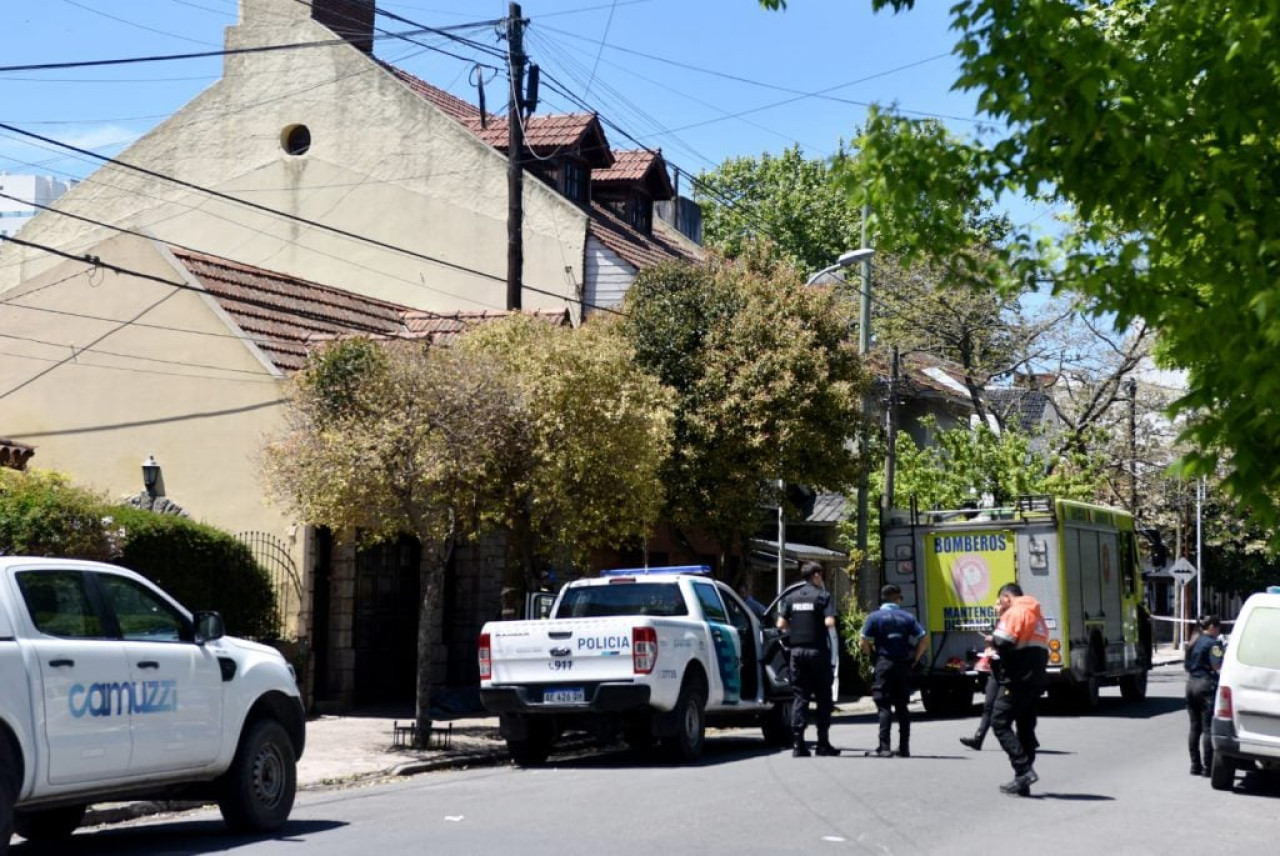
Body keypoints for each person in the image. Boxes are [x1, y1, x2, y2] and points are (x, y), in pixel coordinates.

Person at [989, 582, 1049, 796]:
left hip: (1017, 679)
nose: (1000, 606)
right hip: (1035, 680)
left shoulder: (1015, 612)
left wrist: (992, 641)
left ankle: (1024, 770)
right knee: (1025, 728)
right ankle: (1023, 783)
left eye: (1000, 601)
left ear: (1007, 597)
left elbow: (1004, 641)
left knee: (999, 722)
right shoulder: (1037, 617)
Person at [777, 562, 840, 757]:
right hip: (817, 652)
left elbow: (780, 624)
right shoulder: (823, 596)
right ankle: (823, 743)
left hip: (796, 653)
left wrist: (795, 629)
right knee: (823, 698)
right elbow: (829, 622)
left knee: (800, 698)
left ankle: (798, 745)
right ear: (816, 575)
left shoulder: (791, 597)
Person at [860, 584, 928, 758]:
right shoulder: (907, 617)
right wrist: (915, 659)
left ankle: (884, 747)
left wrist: (873, 656)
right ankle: (904, 748)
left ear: (883, 598)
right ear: (897, 598)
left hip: (883, 664)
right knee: (902, 707)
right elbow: (924, 639)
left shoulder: (874, 617)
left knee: (883, 705)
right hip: (903, 665)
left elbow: (863, 641)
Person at [1185, 614, 1224, 776]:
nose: (1219, 631)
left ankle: (1195, 765)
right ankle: (1208, 767)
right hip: (1205, 685)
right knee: (1207, 728)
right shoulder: (1213, 644)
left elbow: (1187, 666)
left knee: (1195, 728)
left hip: (1191, 684)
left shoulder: (1194, 640)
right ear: (1212, 627)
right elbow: (1216, 665)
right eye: (1219, 628)